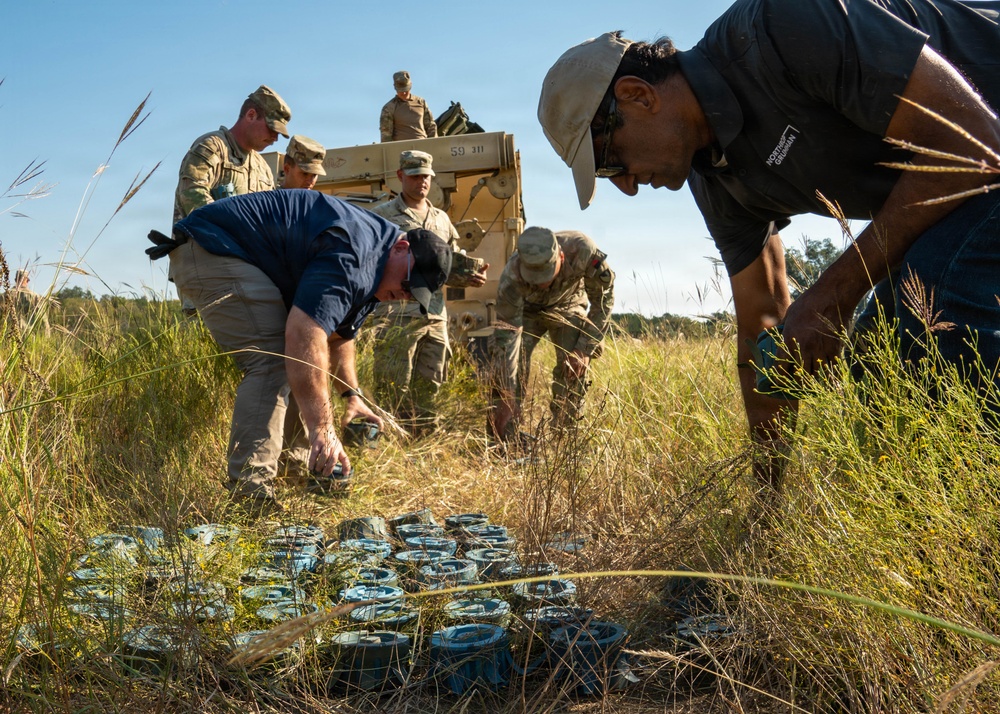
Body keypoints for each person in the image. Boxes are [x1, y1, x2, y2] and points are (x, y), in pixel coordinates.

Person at [537, 0, 1000, 491]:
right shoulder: (716, 179)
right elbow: (761, 327)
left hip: (984, 151)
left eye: (610, 162)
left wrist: (830, 298)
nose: (625, 187)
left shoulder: (784, 27)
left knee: (934, 317)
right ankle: (945, 535)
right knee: (879, 363)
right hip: (966, 190)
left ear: (637, 95)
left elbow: (970, 146)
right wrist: (767, 496)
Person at [148, 190, 452, 513]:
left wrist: (352, 396)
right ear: (401, 248)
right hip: (213, 249)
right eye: (407, 284)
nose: (404, 295)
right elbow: (304, 333)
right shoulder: (356, 253)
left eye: (412, 295)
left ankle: (295, 468)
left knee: (299, 360)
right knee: (273, 362)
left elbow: (336, 337)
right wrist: (323, 427)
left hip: (227, 252)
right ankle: (250, 498)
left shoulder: (378, 267)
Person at [370, 150, 488, 430]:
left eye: (426, 176)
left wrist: (468, 277)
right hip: (395, 316)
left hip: (435, 316)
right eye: (415, 176)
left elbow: (447, 266)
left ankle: (423, 443)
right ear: (400, 176)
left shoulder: (442, 220)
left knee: (430, 385)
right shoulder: (382, 216)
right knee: (391, 386)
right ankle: (389, 445)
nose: (422, 182)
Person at [488, 227, 615, 439]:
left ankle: (565, 440)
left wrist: (583, 350)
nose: (541, 282)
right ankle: (504, 438)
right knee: (509, 369)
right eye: (533, 276)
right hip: (527, 311)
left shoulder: (583, 250)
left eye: (546, 273)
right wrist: (507, 395)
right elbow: (507, 337)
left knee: (573, 366)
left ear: (561, 257)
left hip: (568, 305)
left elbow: (603, 301)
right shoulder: (511, 275)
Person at [380, 71, 437, 142]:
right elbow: (386, 135)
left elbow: (430, 126)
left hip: (422, 146)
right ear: (395, 88)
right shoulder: (389, 108)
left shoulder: (421, 102)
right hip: (401, 148)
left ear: (410, 86)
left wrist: (434, 144)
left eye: (405, 89)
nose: (404, 93)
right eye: (400, 90)